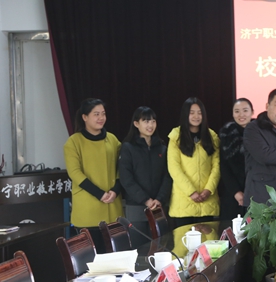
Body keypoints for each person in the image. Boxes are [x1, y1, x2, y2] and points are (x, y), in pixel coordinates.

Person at [64, 98, 122, 252]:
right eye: (96, 114)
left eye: (103, 114)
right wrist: (99, 193)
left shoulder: (112, 139)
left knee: (115, 257)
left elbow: (122, 168)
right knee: (92, 259)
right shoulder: (74, 142)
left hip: (112, 207)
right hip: (88, 210)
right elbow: (74, 172)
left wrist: (116, 190)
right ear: (84, 117)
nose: (101, 118)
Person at [119, 106, 172, 248]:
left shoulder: (162, 147)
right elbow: (126, 179)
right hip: (136, 207)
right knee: (140, 250)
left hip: (158, 207)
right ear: (136, 124)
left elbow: (168, 176)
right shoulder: (128, 147)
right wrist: (146, 200)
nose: (150, 125)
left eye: (153, 121)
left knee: (160, 248)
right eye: (146, 121)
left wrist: (159, 199)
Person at [167, 98, 220, 228]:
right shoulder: (176, 136)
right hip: (184, 202)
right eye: (192, 113)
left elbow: (217, 166)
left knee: (209, 240)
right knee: (184, 240)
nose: (196, 116)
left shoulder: (212, 136)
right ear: (185, 114)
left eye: (199, 113)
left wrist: (208, 190)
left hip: (207, 201)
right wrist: (191, 192)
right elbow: (174, 167)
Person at [219, 98, 254, 220]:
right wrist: (236, 192)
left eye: (245, 110)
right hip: (233, 193)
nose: (241, 115)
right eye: (237, 111)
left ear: (252, 112)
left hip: (257, 192)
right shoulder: (226, 134)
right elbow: (224, 167)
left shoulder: (261, 133)